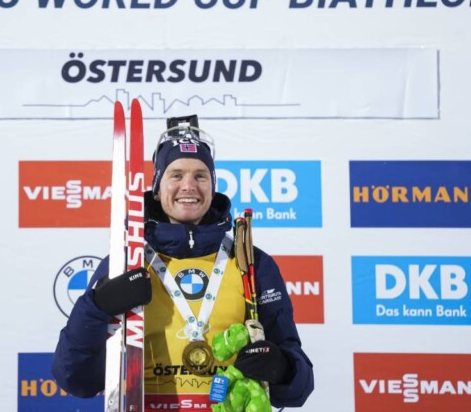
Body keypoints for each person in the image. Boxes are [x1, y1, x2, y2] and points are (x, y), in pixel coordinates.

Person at [52, 117, 314, 411]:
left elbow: (298, 387)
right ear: (157, 187)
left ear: (212, 187)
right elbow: (75, 378)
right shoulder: (127, 261)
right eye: (176, 175)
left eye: (200, 176)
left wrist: (282, 368)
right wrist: (96, 307)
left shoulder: (250, 262)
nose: (188, 186)